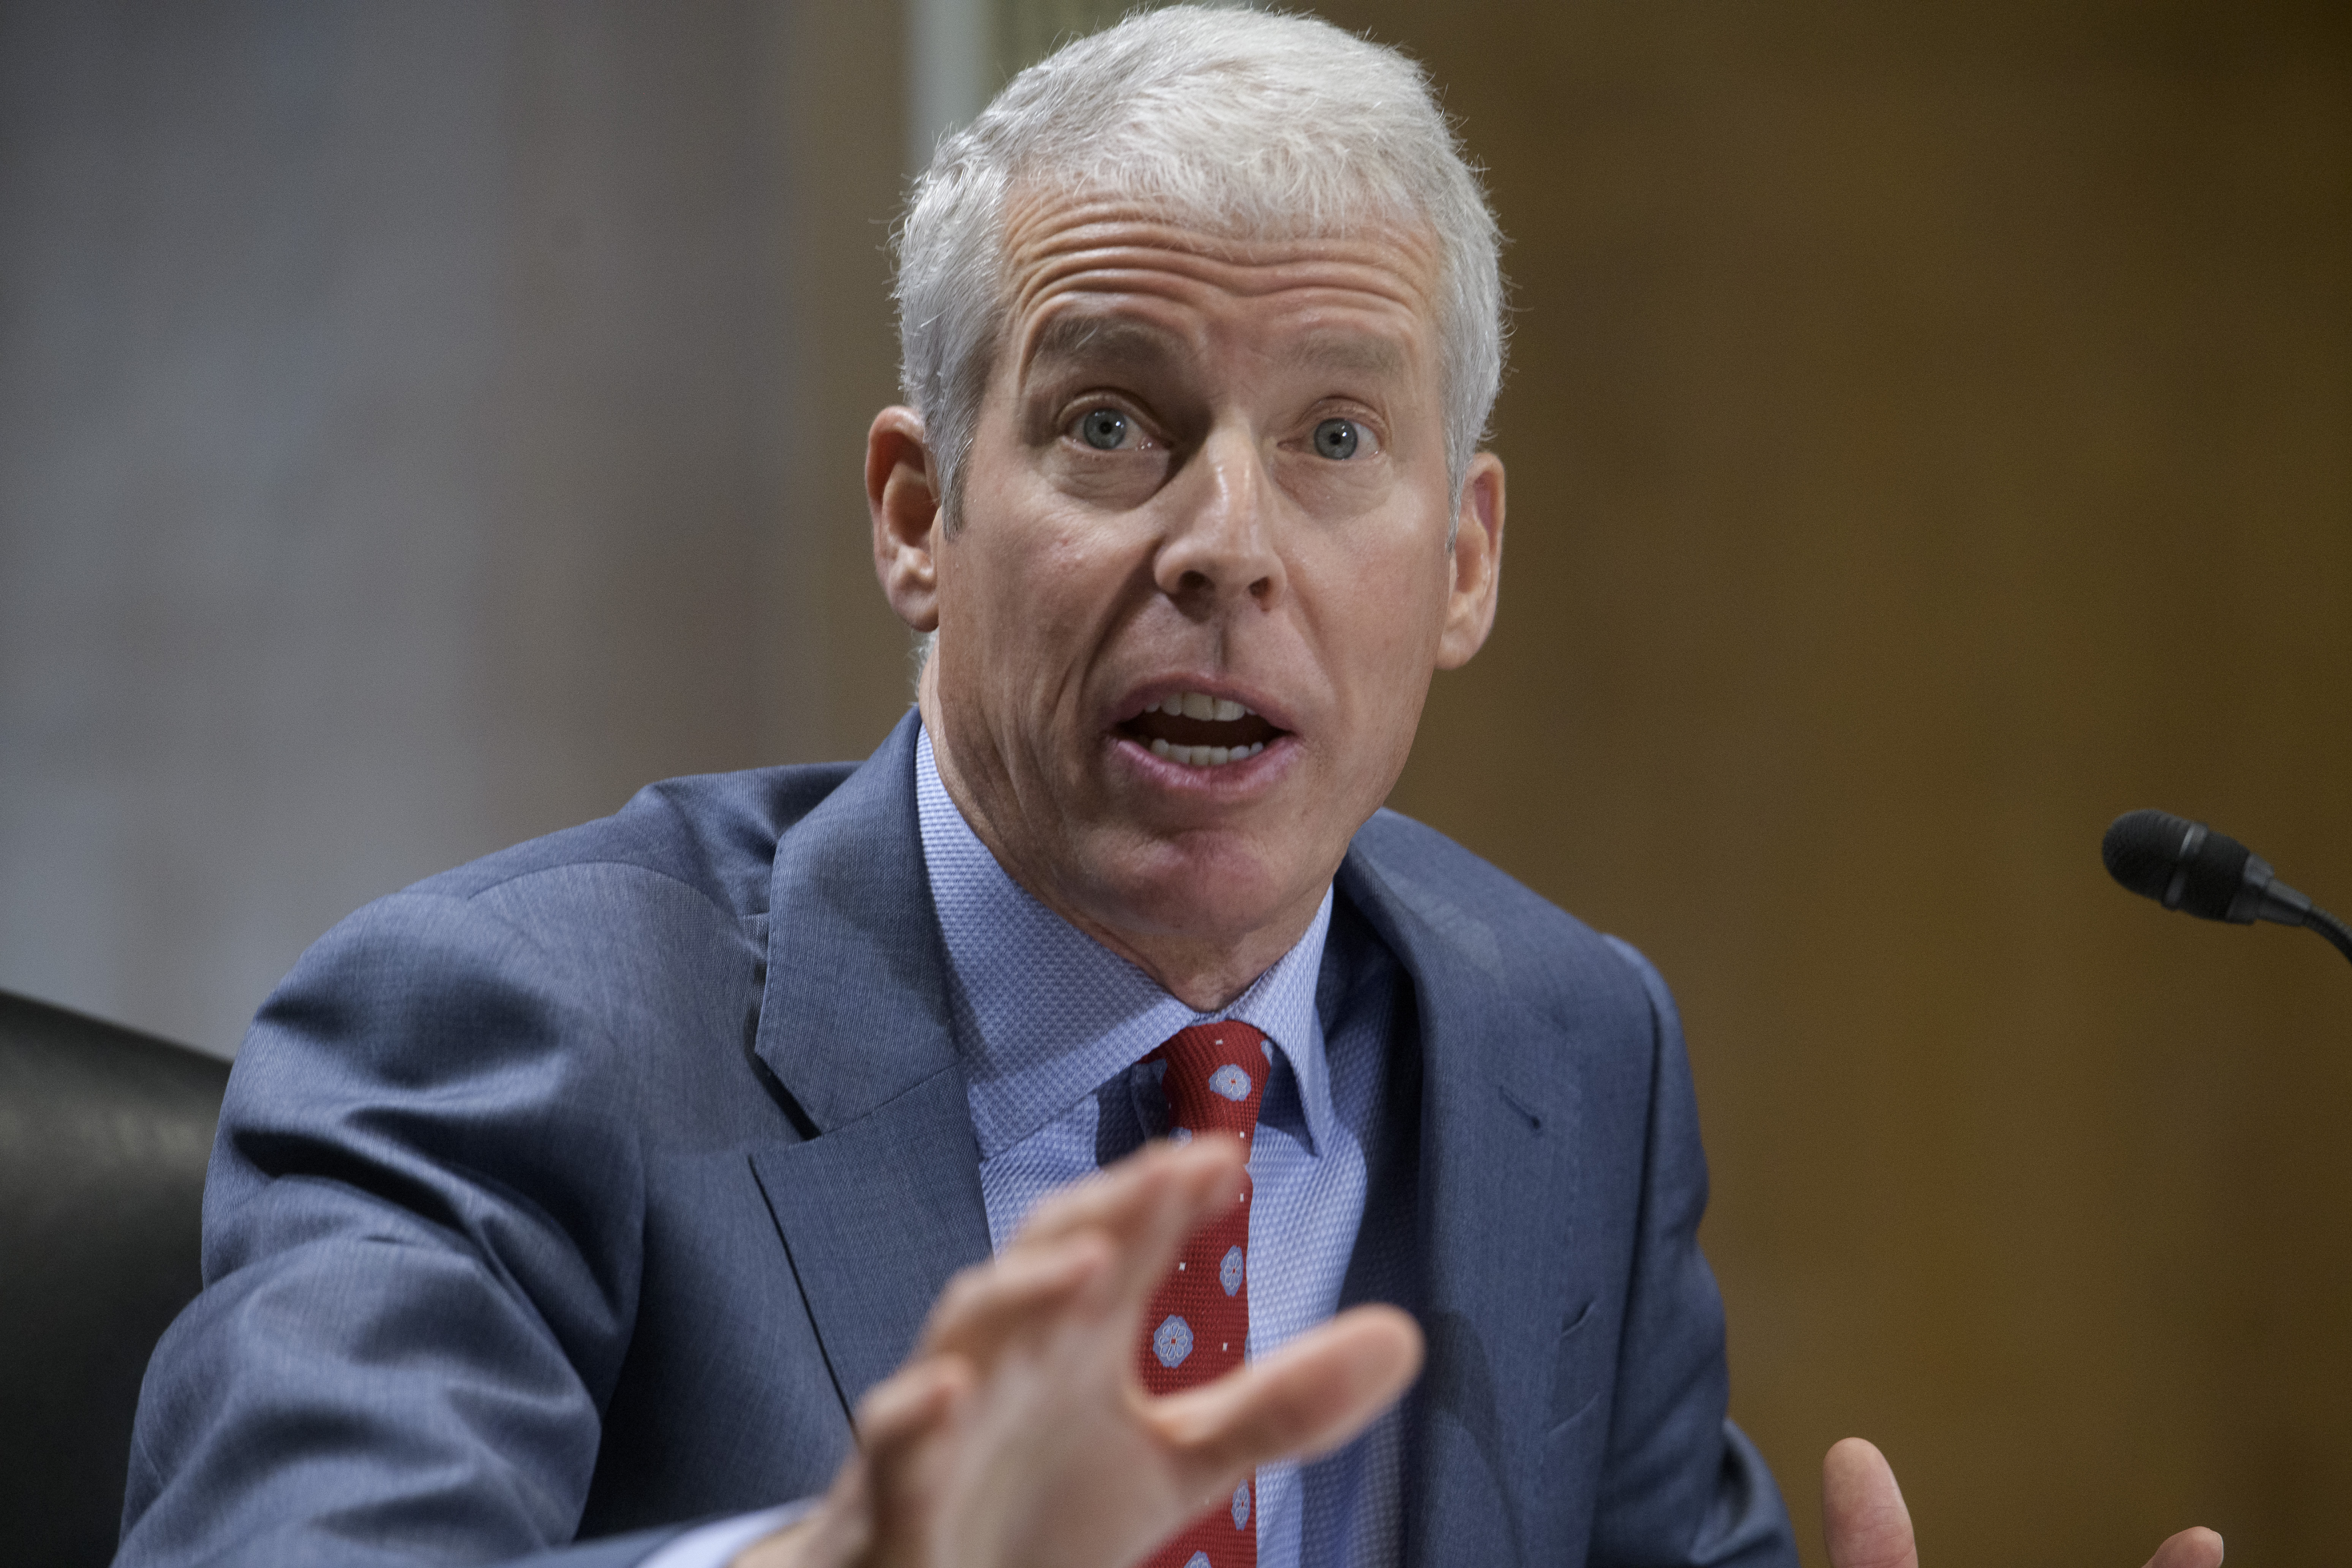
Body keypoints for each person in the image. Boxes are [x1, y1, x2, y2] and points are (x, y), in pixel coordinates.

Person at [116, 11, 2224, 1568]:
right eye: (1114, 422)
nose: (1228, 542)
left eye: (1333, 441)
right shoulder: (511, 1025)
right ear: (919, 513)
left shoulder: (1569, 1047)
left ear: (1464, 560)